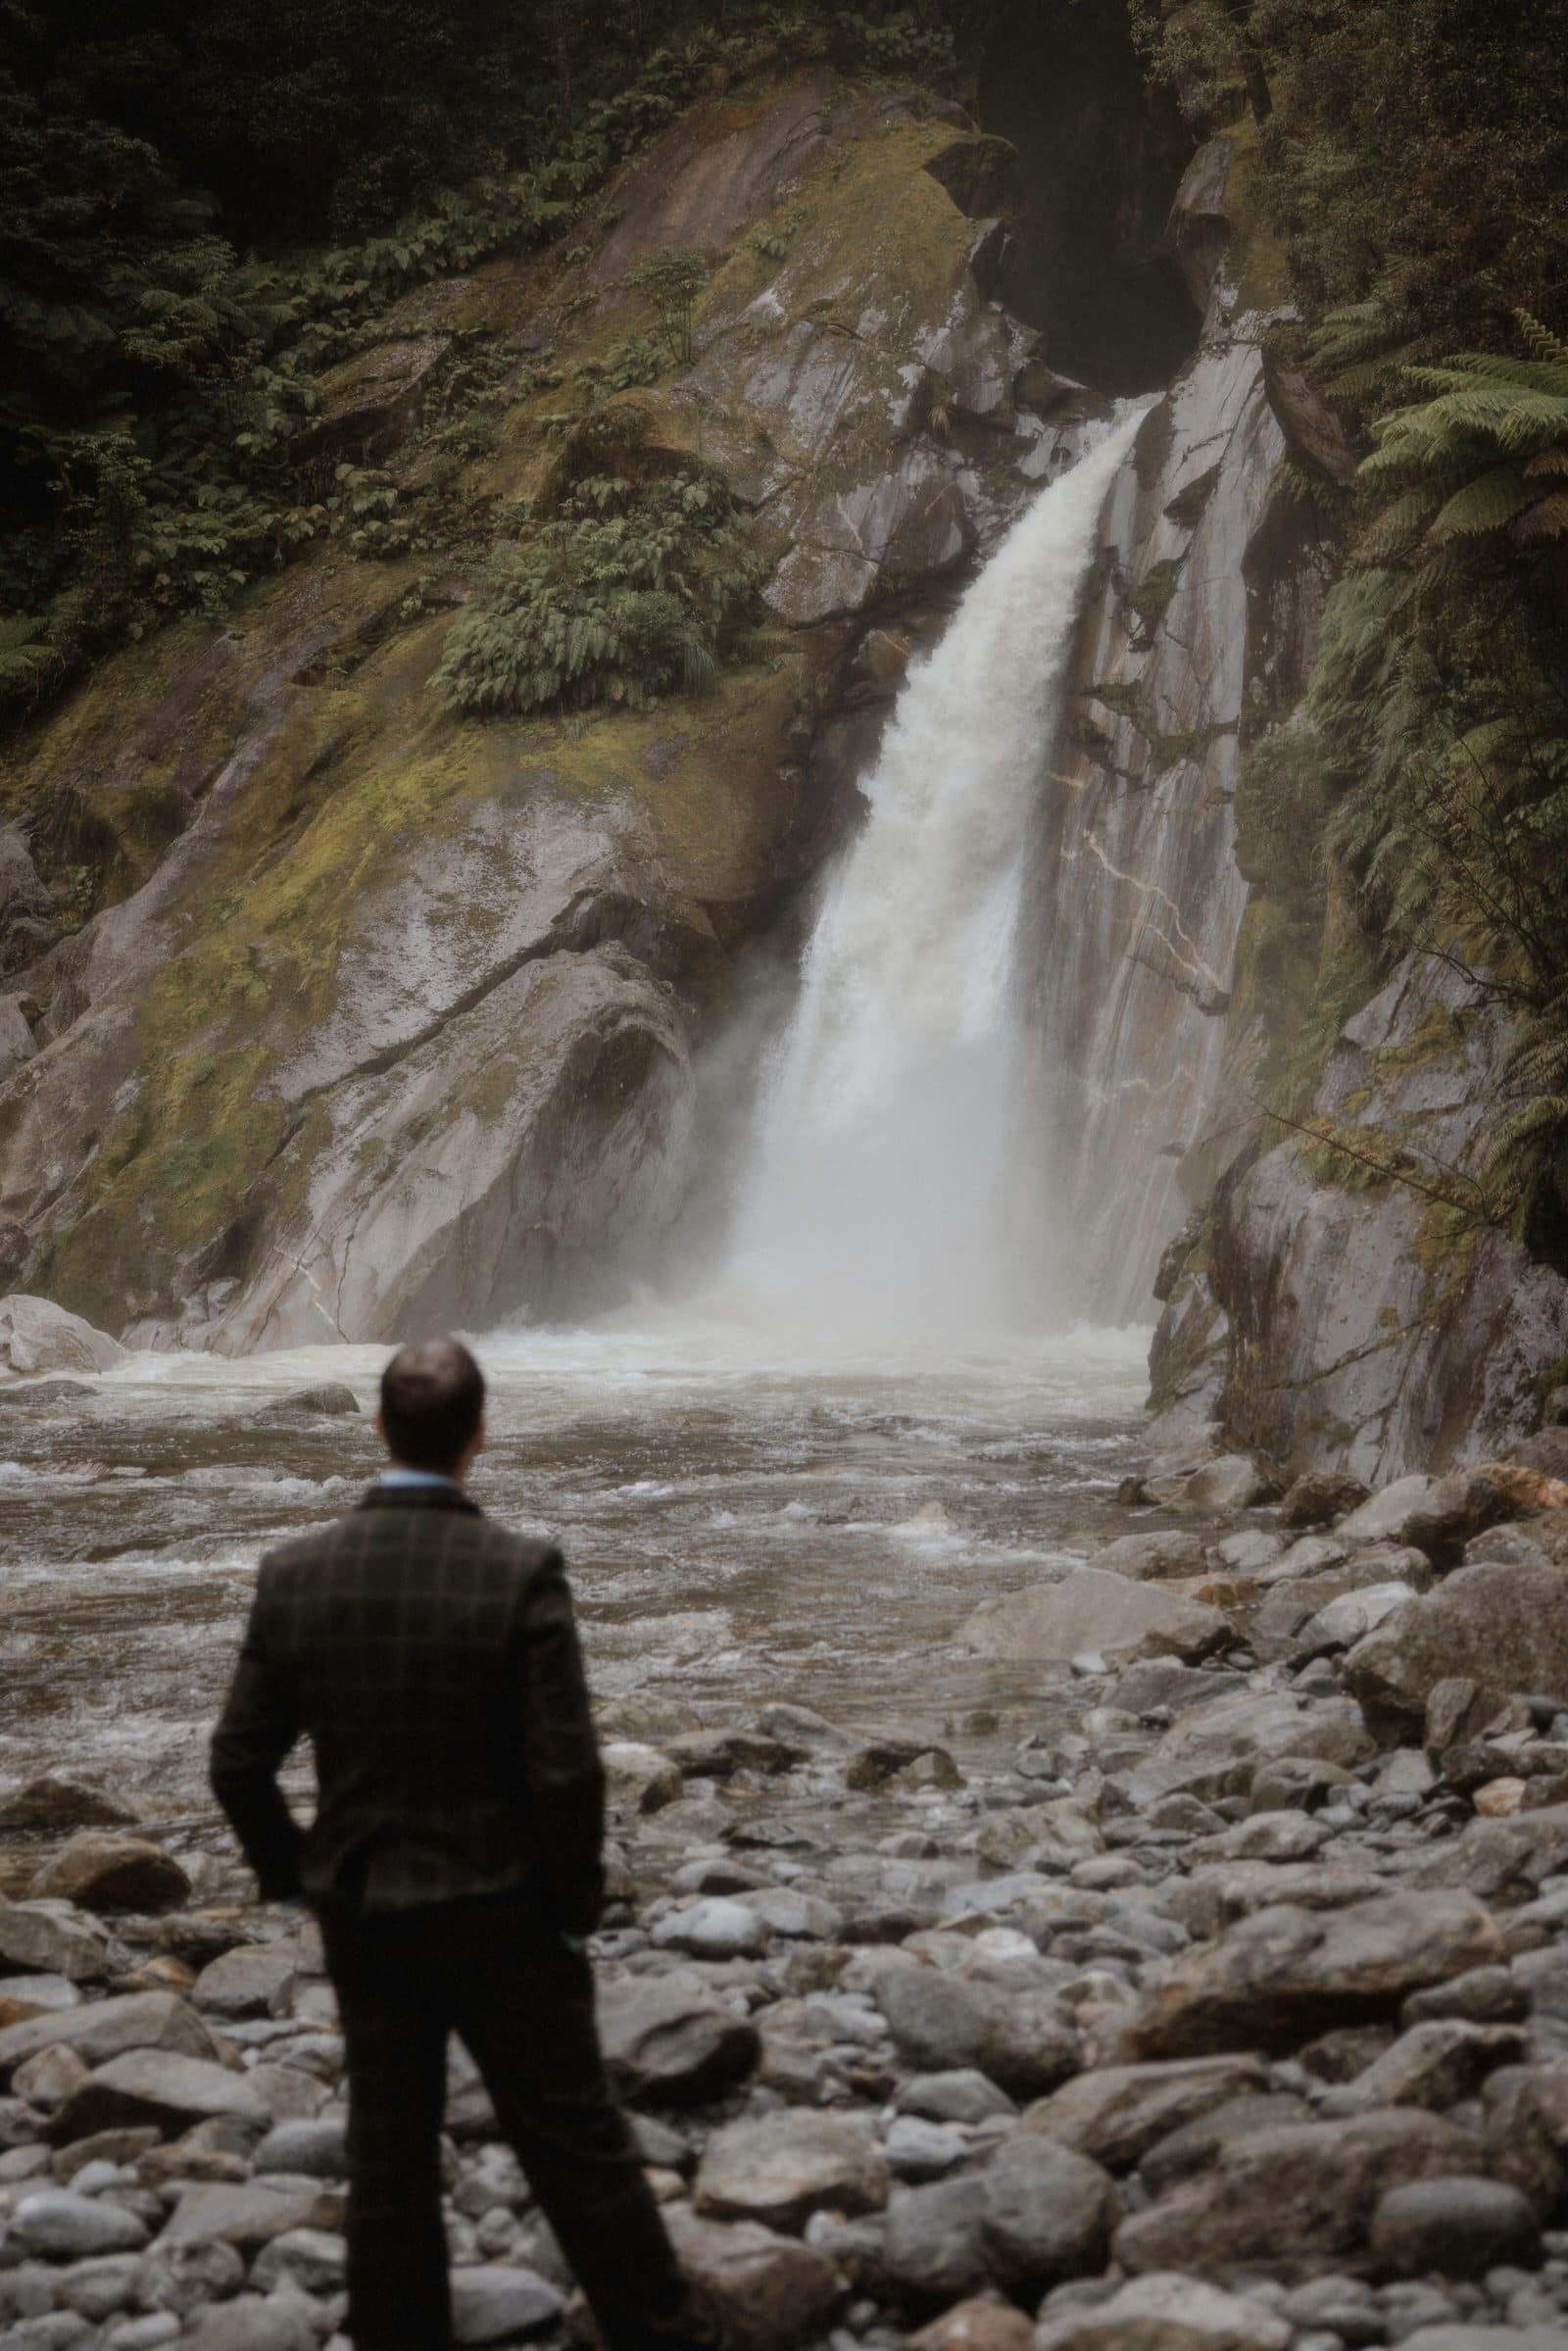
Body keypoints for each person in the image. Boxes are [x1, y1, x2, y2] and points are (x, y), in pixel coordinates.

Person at [210, 1337, 706, 2351]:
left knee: (387, 2162)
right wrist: (571, 1909)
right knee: (579, 2148)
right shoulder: (518, 1569)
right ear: (480, 1435)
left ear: (379, 1426)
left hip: (366, 1911)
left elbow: (237, 1762)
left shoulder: (297, 1571)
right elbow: (568, 1770)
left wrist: (301, 1876)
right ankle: (659, 2333)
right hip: (505, 1908)